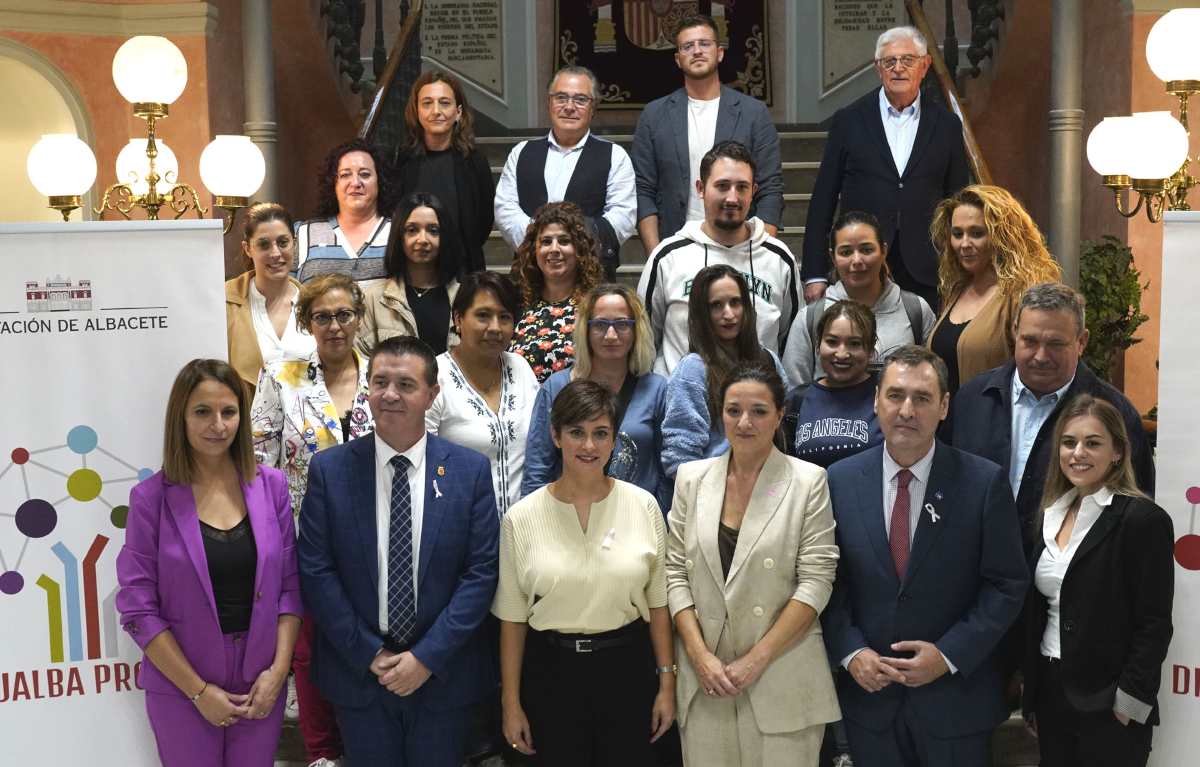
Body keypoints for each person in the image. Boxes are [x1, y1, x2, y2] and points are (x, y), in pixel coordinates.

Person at [298, 335, 500, 766]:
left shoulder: (470, 471)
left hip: (443, 675)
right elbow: (316, 570)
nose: (390, 394)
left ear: (432, 394)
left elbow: (481, 574)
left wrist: (426, 658)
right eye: (380, 382)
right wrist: (371, 654)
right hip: (361, 676)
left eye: (406, 385)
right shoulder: (330, 471)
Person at [823, 345, 1028, 767]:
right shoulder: (838, 481)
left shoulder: (983, 482)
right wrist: (850, 651)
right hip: (870, 704)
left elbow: (1006, 584)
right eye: (896, 395)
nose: (907, 411)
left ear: (944, 406)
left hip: (955, 705)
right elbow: (828, 579)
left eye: (922, 398)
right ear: (876, 400)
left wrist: (950, 654)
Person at [116, 359, 301, 766]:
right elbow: (138, 609)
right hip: (182, 686)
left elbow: (289, 590)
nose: (218, 424)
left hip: (259, 683)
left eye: (229, 411)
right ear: (180, 417)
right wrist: (198, 690)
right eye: (202, 411)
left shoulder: (271, 487)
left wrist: (277, 673)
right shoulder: (151, 499)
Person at [493, 379, 676, 766]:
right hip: (551, 674)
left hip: (627, 670)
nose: (589, 446)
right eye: (576, 432)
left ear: (614, 439)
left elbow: (659, 606)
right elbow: (512, 620)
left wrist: (667, 683)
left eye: (600, 433)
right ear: (555, 436)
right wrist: (511, 703)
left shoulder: (643, 506)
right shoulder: (520, 518)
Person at [665, 362, 840, 764]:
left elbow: (816, 582)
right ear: (719, 413)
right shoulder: (691, 479)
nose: (745, 422)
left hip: (780, 674)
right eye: (733, 410)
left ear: (780, 415)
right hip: (706, 679)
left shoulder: (808, 481)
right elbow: (675, 574)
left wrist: (755, 660)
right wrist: (699, 656)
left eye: (759, 411)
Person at [250, 273, 373, 767]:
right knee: (308, 651)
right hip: (306, 539)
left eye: (344, 315)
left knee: (365, 646)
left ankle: (365, 743)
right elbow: (261, 463)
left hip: (378, 541)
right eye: (322, 316)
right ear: (307, 322)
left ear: (359, 317)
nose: (335, 326)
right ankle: (322, 754)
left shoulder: (384, 374)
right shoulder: (282, 377)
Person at [1021, 394, 1173, 767]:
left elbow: (1153, 624)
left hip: (1109, 703)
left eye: (1093, 443)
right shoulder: (1048, 515)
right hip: (1051, 692)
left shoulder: (1142, 520)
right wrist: (1033, 693)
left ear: (1118, 452)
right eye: (1069, 442)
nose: (1078, 453)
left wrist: (1129, 703)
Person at [949, 282, 1155, 549]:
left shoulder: (1116, 415)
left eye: (1056, 344)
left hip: (1067, 585)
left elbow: (1138, 519)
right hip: (977, 574)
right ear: (1014, 333)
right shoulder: (971, 401)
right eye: (1030, 341)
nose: (1040, 356)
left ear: (1082, 342)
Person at [802, 26, 970, 311]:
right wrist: (814, 273)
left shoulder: (948, 125)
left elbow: (959, 203)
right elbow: (823, 200)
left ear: (925, 64)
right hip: (862, 265)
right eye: (889, 61)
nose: (898, 69)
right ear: (877, 68)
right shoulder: (848, 121)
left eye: (908, 60)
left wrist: (963, 269)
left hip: (927, 269)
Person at [639, 140, 799, 377]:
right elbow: (644, 341)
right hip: (681, 405)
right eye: (722, 186)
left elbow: (792, 345)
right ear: (701, 188)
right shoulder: (667, 257)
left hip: (756, 404)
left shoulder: (779, 259)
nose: (732, 198)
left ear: (754, 192)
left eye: (742, 187)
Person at [632, 13, 783, 251]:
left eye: (704, 43)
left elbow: (770, 186)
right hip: (676, 245)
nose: (697, 51)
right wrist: (656, 254)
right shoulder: (654, 115)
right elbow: (643, 189)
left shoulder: (754, 113)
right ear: (678, 59)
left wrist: (759, 250)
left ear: (720, 53)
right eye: (688, 46)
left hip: (740, 244)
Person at [521, 283, 670, 511]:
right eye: (600, 325)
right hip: (568, 520)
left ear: (636, 330)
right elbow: (538, 468)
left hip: (635, 523)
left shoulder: (656, 389)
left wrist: (656, 522)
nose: (611, 335)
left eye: (622, 324)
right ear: (586, 330)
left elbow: (665, 471)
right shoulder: (557, 387)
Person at [494, 64, 636, 279]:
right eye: (561, 97)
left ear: (593, 107)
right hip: (531, 276)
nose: (569, 107)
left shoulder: (615, 156)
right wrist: (541, 243)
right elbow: (506, 209)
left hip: (591, 278)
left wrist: (570, 244)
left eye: (580, 99)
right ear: (549, 102)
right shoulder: (521, 152)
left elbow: (622, 216)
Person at [928, 185, 1062, 394]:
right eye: (957, 233)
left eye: (977, 233)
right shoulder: (956, 289)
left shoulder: (1021, 294)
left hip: (995, 421)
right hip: (945, 423)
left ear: (1002, 236)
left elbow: (1043, 372)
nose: (964, 243)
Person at [425, 271, 539, 517]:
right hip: (460, 529)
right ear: (458, 319)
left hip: (524, 529)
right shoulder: (434, 375)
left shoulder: (520, 368)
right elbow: (424, 466)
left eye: (505, 317)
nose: (495, 328)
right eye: (483, 316)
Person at [660, 265, 787, 480]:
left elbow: (781, 430)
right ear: (702, 313)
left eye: (735, 303)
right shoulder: (693, 369)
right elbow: (679, 457)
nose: (728, 314)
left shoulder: (769, 360)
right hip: (715, 495)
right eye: (716, 305)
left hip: (771, 486)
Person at [782, 210, 934, 388]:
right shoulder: (811, 317)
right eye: (846, 252)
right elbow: (795, 393)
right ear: (833, 257)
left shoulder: (915, 310)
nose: (857, 260)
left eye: (866, 250)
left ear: (883, 251)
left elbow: (932, 382)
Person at [393, 71, 494, 276]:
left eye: (444, 103)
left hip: (463, 271)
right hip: (412, 272)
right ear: (417, 111)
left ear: (458, 112)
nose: (436, 111)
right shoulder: (401, 161)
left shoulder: (475, 162)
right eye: (427, 103)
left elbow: (484, 220)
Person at [508, 201, 605, 382]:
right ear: (533, 251)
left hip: (576, 407)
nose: (554, 249)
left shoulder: (596, 306)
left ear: (579, 250)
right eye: (546, 242)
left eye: (564, 241)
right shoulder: (517, 304)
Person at [225, 202, 315, 395]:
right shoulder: (225, 303)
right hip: (248, 422)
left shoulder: (315, 305)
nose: (275, 253)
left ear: (295, 243)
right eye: (264, 244)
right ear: (248, 248)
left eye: (283, 242)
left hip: (311, 423)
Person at [358, 193, 461, 357]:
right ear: (399, 236)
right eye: (412, 230)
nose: (423, 239)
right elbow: (361, 363)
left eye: (433, 231)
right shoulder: (375, 298)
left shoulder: (463, 297)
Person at [783, 299, 883, 466]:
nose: (842, 353)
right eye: (832, 341)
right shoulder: (796, 402)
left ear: (870, 349)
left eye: (854, 343)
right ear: (818, 345)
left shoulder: (886, 396)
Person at [295, 138, 395, 288]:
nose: (355, 183)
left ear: (379, 181)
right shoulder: (304, 232)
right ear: (333, 183)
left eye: (365, 174)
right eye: (345, 175)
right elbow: (285, 294)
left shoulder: (397, 231)